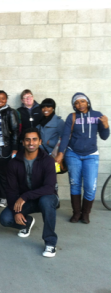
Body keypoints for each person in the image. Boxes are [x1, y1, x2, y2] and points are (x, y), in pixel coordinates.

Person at [0, 127, 59, 258]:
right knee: (5, 219)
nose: (31, 143)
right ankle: (27, 222)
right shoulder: (14, 163)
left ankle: (50, 242)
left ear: (40, 141)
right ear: (23, 142)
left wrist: (25, 196)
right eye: (27, 140)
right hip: (26, 201)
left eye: (34, 139)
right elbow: (10, 190)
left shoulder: (48, 160)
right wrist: (17, 211)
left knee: (46, 201)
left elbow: (49, 187)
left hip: (46, 197)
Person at [55, 93, 109, 224]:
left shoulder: (97, 115)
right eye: (77, 103)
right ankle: (76, 213)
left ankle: (85, 214)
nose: (80, 104)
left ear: (88, 102)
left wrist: (106, 125)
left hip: (91, 155)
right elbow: (66, 135)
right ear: (74, 105)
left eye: (82, 101)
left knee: (90, 186)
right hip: (73, 154)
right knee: (75, 184)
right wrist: (60, 153)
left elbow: (104, 136)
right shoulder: (72, 117)